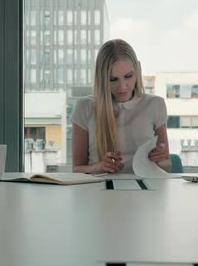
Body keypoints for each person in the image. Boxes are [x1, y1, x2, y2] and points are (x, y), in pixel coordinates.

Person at [71, 39, 171, 174]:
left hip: (145, 190)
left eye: (128, 76)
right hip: (98, 190)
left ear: (137, 70)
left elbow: (167, 167)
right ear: (102, 79)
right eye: (113, 79)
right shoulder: (85, 107)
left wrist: (161, 160)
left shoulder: (155, 105)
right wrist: (98, 167)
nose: (122, 87)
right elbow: (76, 169)